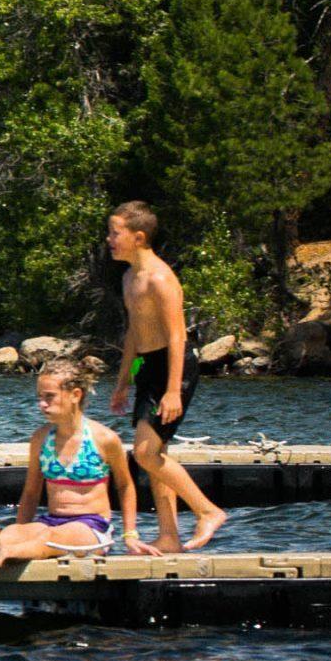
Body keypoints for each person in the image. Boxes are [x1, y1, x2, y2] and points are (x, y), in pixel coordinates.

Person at [0, 361, 159, 567]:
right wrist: (20, 528)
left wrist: (130, 536)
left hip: (91, 527)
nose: (42, 404)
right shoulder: (41, 438)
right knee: (13, 532)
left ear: (75, 395)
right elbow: (31, 492)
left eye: (50, 397)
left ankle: (2, 552)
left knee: (47, 538)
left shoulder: (104, 439)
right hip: (51, 520)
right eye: (40, 397)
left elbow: (125, 486)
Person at [106, 201, 225, 549]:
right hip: (149, 366)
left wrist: (173, 391)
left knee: (145, 453)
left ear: (139, 237)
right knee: (156, 456)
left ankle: (207, 511)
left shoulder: (160, 278)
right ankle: (169, 535)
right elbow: (134, 334)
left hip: (175, 368)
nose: (109, 240)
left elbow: (177, 336)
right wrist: (123, 381)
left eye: (115, 233)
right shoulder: (129, 277)